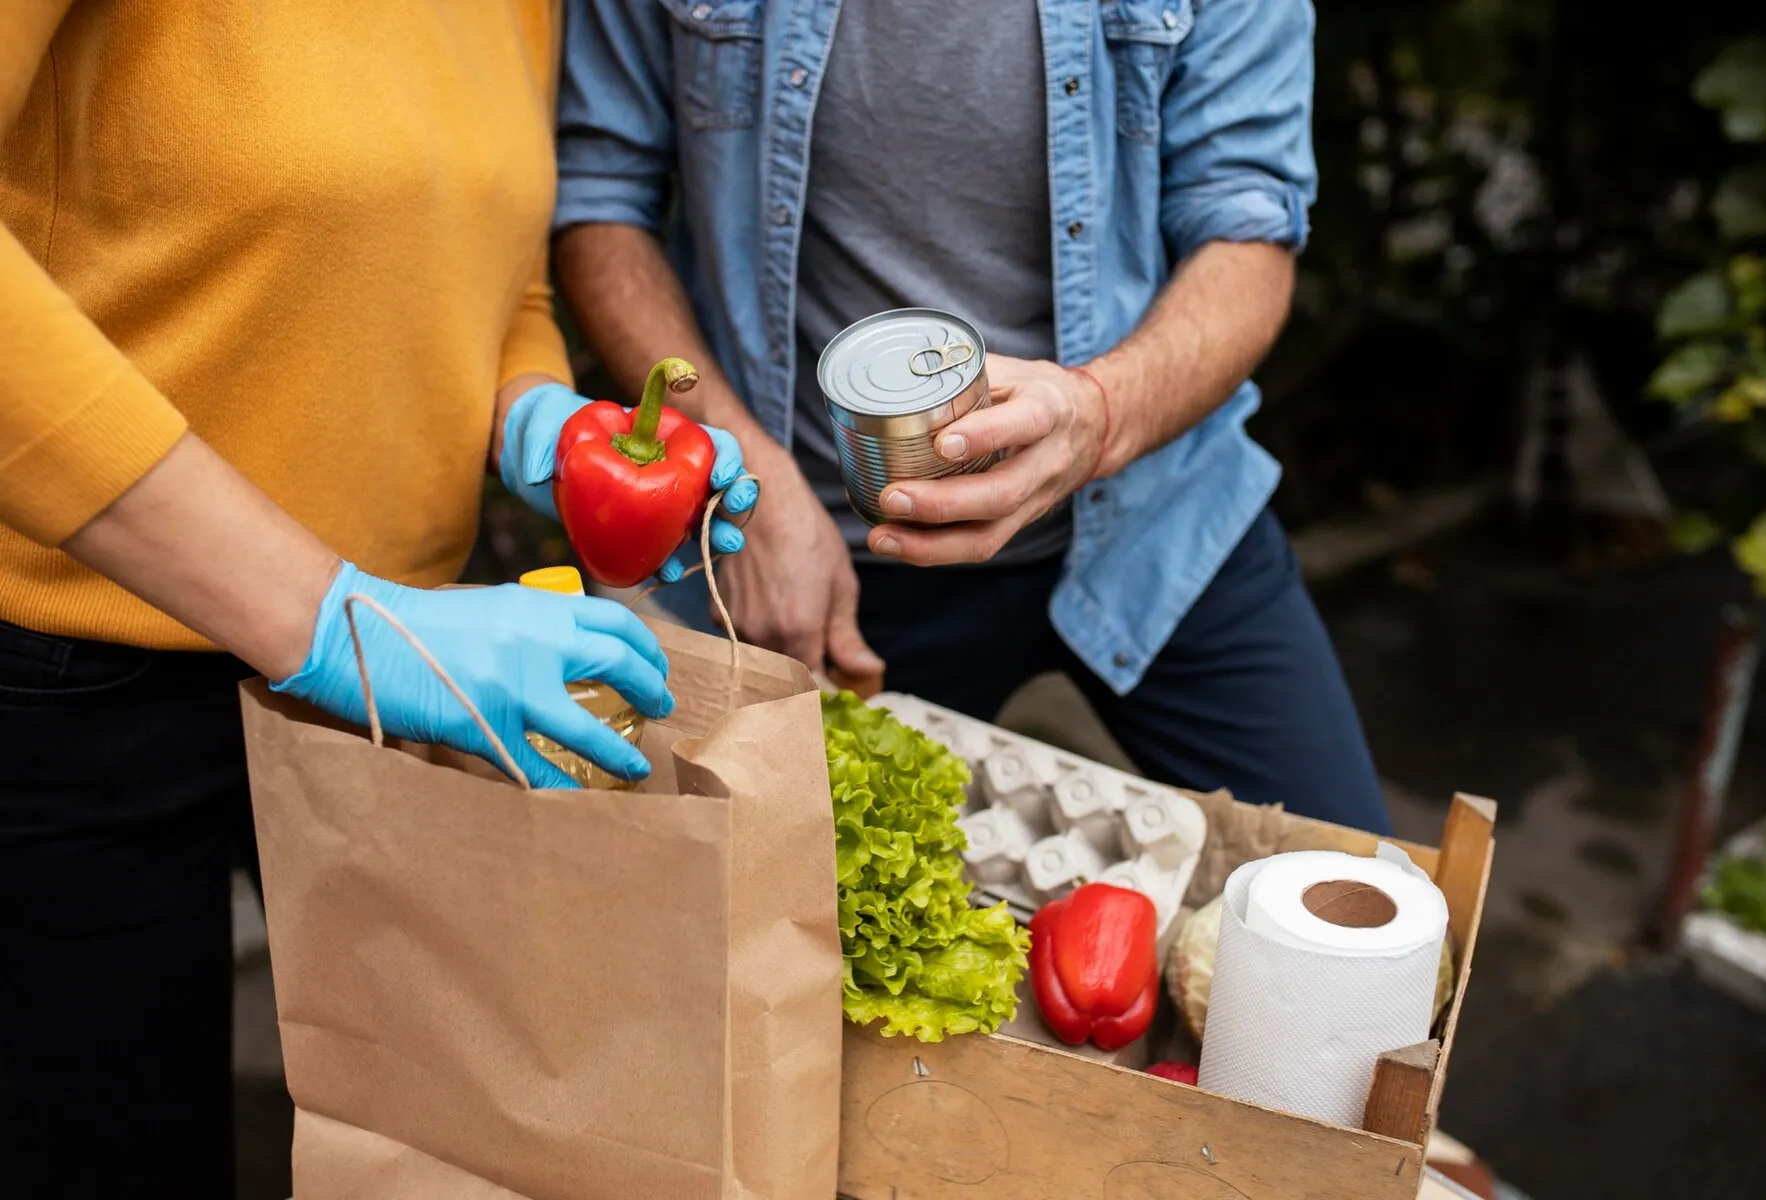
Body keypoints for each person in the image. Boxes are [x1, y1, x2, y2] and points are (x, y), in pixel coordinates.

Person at [0, 3, 753, 1194]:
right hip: (81, 670)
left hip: (409, 666)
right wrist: (329, 619)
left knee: (430, 1145)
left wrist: (535, 416)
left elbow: (490, 275)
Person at [553, 0, 1391, 832]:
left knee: (1356, 882)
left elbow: (1248, 231)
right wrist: (749, 489)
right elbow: (600, 200)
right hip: (821, 556)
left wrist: (1100, 414)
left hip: (1156, 524)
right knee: (762, 894)